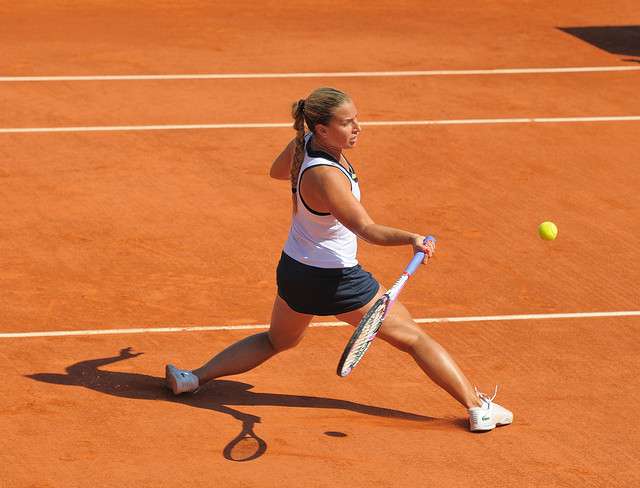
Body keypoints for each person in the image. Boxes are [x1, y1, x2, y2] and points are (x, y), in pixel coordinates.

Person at [166, 87, 512, 432]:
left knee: (277, 341)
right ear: (323, 129)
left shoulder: (303, 145)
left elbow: (277, 171)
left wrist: (302, 164)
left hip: (295, 272)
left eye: (356, 119)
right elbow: (366, 229)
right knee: (415, 339)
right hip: (337, 281)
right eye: (346, 123)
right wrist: (411, 238)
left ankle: (192, 378)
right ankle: (476, 407)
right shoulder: (328, 176)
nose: (357, 127)